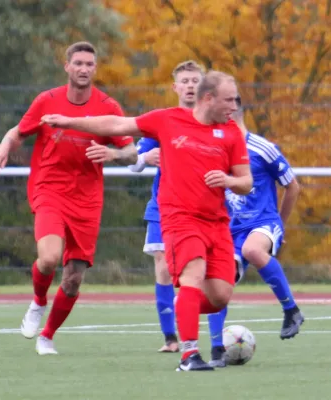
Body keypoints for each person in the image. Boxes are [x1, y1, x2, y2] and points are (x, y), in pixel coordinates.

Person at [41, 70, 253, 371]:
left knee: (219, 296)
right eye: (229, 100)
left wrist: (229, 180)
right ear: (208, 99)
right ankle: (189, 355)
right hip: (179, 217)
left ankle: (184, 307)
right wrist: (68, 121)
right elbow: (115, 123)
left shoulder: (230, 132)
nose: (234, 106)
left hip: (217, 222)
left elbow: (246, 182)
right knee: (193, 273)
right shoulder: (168, 119)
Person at [0, 41, 137, 355]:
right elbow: (19, 131)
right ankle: (38, 301)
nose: (83, 69)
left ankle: (47, 336)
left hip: (87, 199)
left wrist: (111, 153)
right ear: (67, 66)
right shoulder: (47, 100)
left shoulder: (108, 106)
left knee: (73, 279)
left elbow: (131, 150)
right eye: (78, 63)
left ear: (95, 69)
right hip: (49, 189)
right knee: (50, 258)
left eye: (89, 64)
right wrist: (2, 147)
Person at [206, 95, 303, 368]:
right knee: (218, 283)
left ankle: (291, 310)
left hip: (263, 222)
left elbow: (292, 186)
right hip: (230, 230)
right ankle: (216, 350)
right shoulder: (215, 149)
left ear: (232, 111)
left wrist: (279, 225)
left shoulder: (262, 148)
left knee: (252, 249)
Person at [127, 60, 205, 353]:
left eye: (195, 80)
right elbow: (133, 162)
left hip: (202, 208)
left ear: (203, 85)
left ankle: (211, 337)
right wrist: (144, 159)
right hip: (163, 207)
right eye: (184, 81)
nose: (189, 86)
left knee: (199, 273)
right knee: (163, 266)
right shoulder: (163, 123)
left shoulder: (212, 123)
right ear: (175, 87)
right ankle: (171, 338)